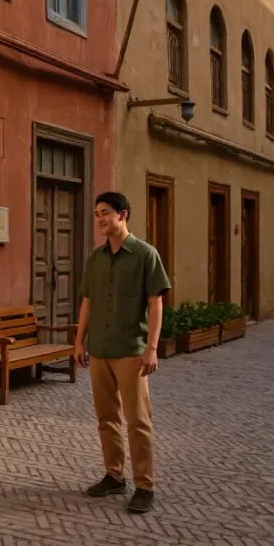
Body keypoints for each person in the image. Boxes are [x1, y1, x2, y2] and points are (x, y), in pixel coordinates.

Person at [73, 191, 171, 514]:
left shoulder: (145, 255)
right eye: (97, 213)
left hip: (131, 352)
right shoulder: (95, 259)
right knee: (106, 418)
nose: (100, 219)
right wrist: (79, 341)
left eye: (105, 213)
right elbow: (87, 301)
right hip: (99, 350)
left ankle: (145, 485)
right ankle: (114, 476)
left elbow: (156, 304)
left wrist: (152, 348)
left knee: (138, 421)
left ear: (123, 215)